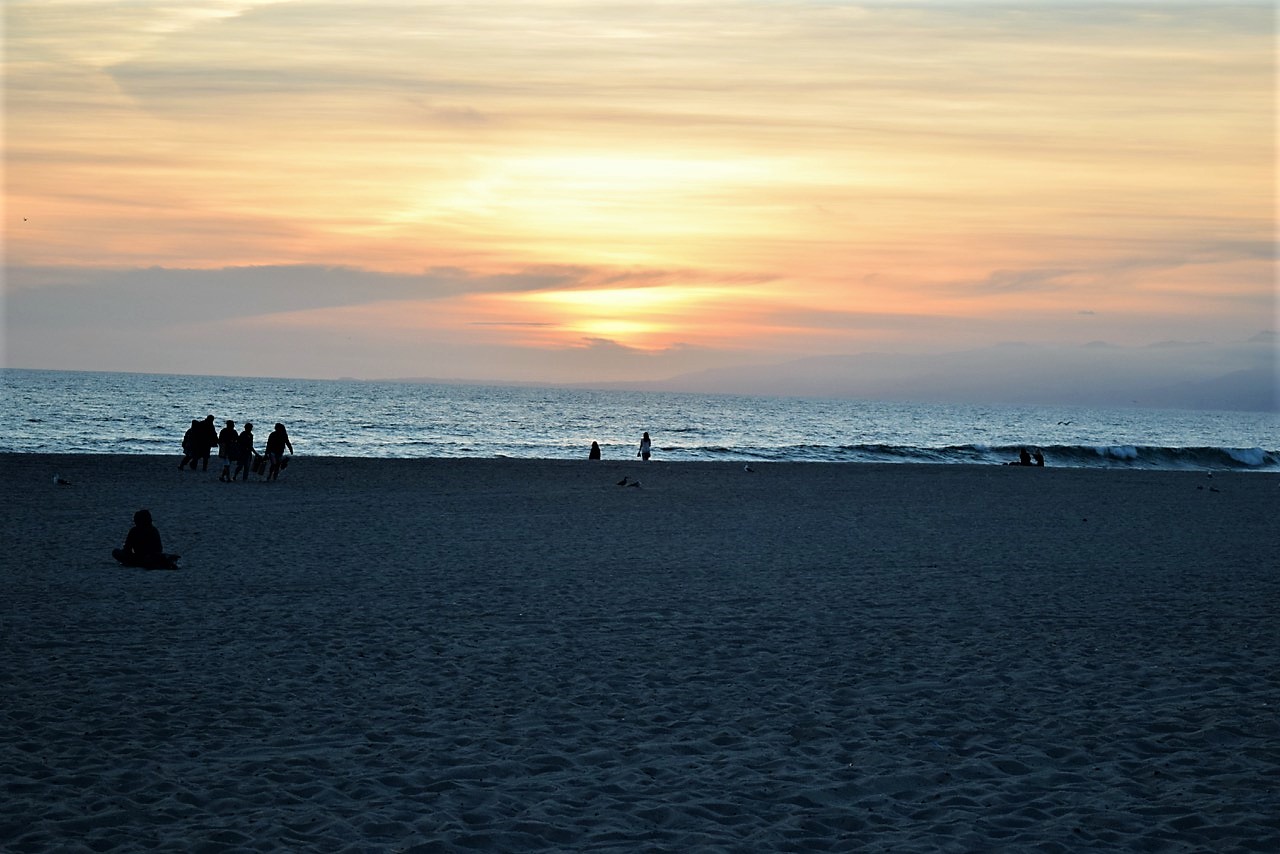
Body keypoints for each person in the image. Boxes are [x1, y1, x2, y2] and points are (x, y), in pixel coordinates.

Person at [112, 509, 180, 570]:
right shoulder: (135, 531)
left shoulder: (152, 531)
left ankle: (162, 560)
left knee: (154, 557)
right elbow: (127, 548)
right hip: (140, 556)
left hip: (151, 556)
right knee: (116, 552)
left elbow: (158, 548)